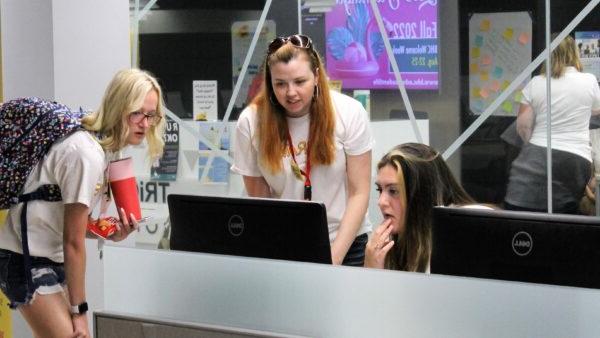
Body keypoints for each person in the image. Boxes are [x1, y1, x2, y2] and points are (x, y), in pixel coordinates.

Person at [0, 68, 166, 337]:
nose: (145, 124)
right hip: (23, 258)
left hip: (49, 257)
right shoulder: (86, 154)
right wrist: (80, 312)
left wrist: (110, 234)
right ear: (118, 106)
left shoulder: (105, 148)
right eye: (137, 113)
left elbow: (73, 227)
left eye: (151, 115)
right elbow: (73, 241)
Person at [231, 34, 374, 266]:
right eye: (280, 84)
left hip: (346, 242)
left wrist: (333, 258)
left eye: (300, 81)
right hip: (286, 243)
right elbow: (261, 202)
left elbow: (360, 192)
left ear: (317, 76)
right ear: (270, 82)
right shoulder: (250, 121)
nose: (291, 93)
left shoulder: (350, 112)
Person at [504, 35, 600, 214]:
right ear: (574, 54)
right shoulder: (589, 80)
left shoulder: (535, 83)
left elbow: (523, 126)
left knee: (520, 207)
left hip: (539, 153)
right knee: (564, 212)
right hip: (577, 158)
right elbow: (596, 110)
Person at [364, 143, 476, 272]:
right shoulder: (394, 246)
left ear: (422, 195)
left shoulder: (466, 234)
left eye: (393, 191)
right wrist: (372, 270)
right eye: (380, 190)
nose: (381, 202)